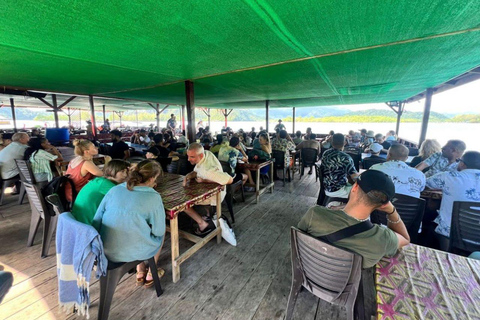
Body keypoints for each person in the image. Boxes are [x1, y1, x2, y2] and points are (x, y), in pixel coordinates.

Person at [298, 170, 410, 268]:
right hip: (343, 286)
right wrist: (392, 211)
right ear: (383, 205)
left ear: (355, 187)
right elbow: (405, 239)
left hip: (310, 269)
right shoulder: (383, 239)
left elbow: (299, 239)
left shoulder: (315, 214)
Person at [93, 160, 165, 287]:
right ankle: (150, 273)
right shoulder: (154, 197)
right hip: (131, 252)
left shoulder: (115, 190)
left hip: (104, 250)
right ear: (152, 178)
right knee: (161, 233)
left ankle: (140, 271)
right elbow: (158, 231)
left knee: (132, 228)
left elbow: (96, 220)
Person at [425, 151, 480, 250]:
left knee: (428, 225)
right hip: (477, 238)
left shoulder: (449, 177)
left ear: (462, 164)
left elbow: (424, 183)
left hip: (450, 235)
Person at [183, 143, 233, 236]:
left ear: (201, 155)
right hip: (206, 189)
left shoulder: (208, 171)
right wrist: (189, 175)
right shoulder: (206, 153)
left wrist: (205, 180)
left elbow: (230, 180)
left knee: (184, 203)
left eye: (192, 157)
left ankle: (202, 224)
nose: (188, 159)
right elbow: (196, 170)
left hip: (215, 195)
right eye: (188, 156)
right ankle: (208, 215)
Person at [72, 160, 130, 225]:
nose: (125, 175)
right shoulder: (105, 184)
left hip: (79, 219)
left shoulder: (101, 180)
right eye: (122, 171)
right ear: (112, 171)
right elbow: (127, 198)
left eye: (127, 171)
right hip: (87, 223)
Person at [320, 133, 358, 198]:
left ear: (332, 142)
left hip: (326, 186)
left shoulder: (326, 153)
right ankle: (341, 207)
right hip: (338, 190)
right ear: (345, 143)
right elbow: (354, 177)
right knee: (361, 194)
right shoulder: (346, 157)